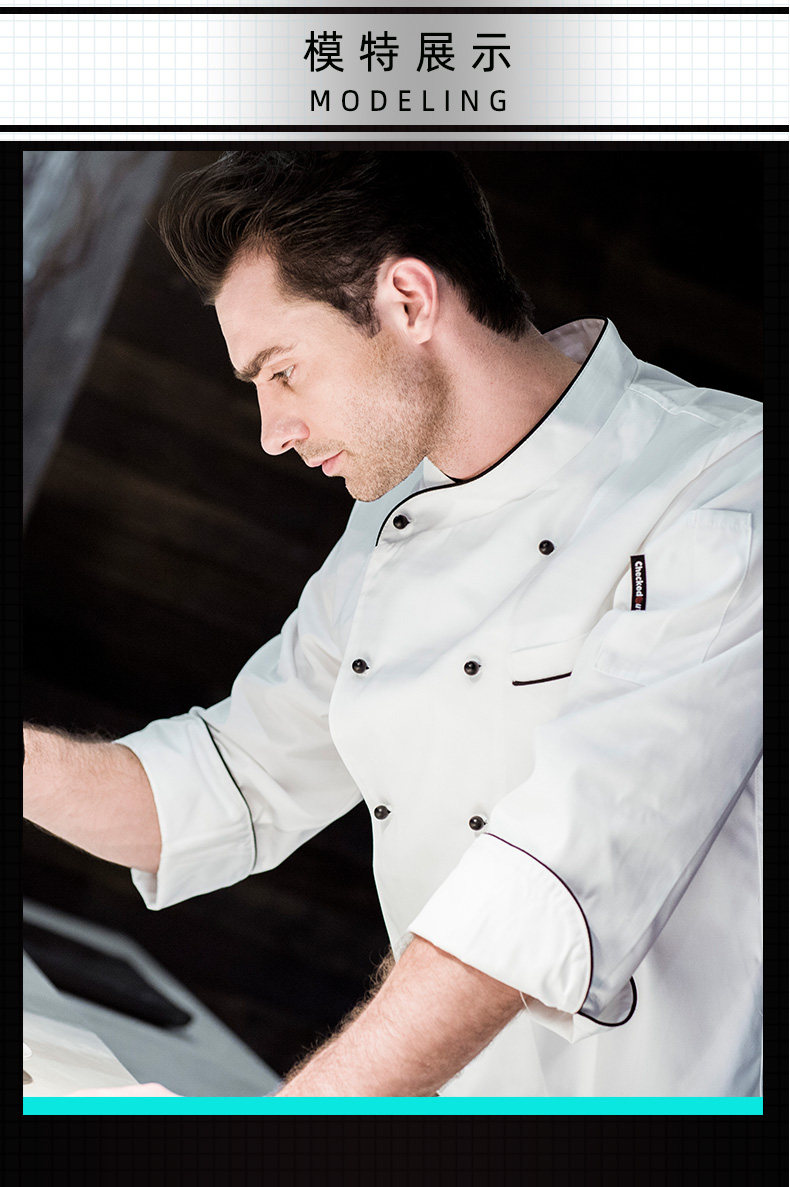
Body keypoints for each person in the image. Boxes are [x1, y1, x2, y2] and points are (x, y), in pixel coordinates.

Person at [23, 151, 762, 1097]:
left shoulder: (727, 483)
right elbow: (225, 781)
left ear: (409, 301)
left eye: (283, 371)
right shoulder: (390, 521)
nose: (271, 431)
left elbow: (550, 879)